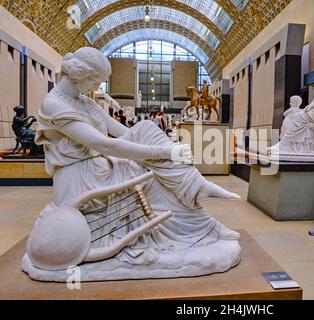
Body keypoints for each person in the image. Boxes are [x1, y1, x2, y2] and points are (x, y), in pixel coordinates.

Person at [33, 47, 240, 269]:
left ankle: (198, 194)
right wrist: (165, 153)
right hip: (79, 176)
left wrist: (163, 151)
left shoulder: (86, 102)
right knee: (150, 177)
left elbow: (123, 132)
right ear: (82, 75)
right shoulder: (54, 104)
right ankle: (202, 211)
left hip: (100, 166)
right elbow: (103, 144)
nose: (97, 87)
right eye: (97, 82)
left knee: (146, 127)